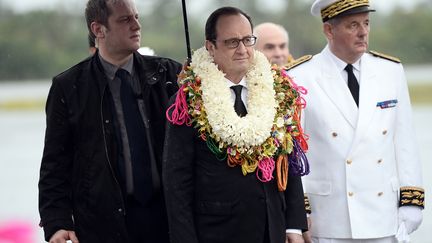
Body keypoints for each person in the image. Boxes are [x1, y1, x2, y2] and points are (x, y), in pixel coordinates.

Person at [38, 0, 181, 242]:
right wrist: (56, 222)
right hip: (102, 225)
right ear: (98, 29)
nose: (136, 25)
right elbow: (54, 163)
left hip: (167, 220)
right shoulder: (69, 87)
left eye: (136, 17)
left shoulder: (170, 75)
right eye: (125, 19)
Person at [163, 6, 309, 243]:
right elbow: (177, 182)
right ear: (210, 47)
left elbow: (288, 159)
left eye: (248, 40)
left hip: (271, 228)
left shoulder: (277, 89)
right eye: (232, 42)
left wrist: (294, 225)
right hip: (217, 231)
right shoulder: (188, 100)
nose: (242, 49)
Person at [286, 0, 425, 242]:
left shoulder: (390, 70)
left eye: (366, 23)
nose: (363, 32)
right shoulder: (300, 76)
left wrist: (412, 199)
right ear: (329, 31)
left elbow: (404, 141)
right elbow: (296, 153)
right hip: (329, 218)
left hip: (384, 215)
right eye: (353, 25)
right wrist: (300, 212)